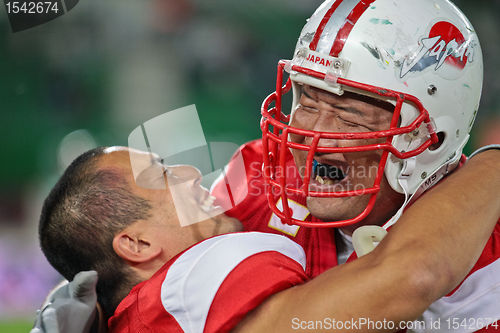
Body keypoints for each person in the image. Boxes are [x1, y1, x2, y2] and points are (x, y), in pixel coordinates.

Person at [209, 0, 500, 330]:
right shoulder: (255, 172)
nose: (314, 136)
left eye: (349, 115)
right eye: (307, 99)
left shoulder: (488, 268)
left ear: (430, 138)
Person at [34, 145, 499, 333]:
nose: (192, 171)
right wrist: (492, 164)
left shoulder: (152, 303)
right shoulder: (190, 281)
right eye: (161, 174)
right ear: (136, 245)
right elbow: (412, 278)